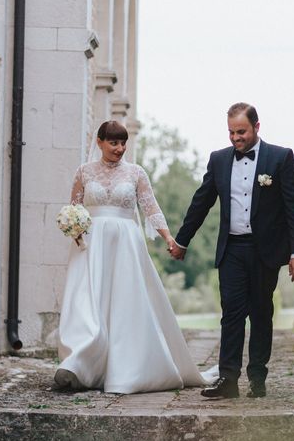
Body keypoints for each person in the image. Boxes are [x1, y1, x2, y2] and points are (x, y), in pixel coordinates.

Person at [53, 120, 215, 393]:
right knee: (87, 302)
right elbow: (74, 208)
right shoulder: (84, 172)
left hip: (126, 244)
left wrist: (168, 238)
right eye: (114, 143)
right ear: (100, 142)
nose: (119, 149)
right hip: (91, 246)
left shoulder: (136, 173)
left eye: (123, 143)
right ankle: (79, 362)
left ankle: (128, 366)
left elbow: (151, 209)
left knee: (124, 302)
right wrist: (74, 230)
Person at [170, 103, 294, 399]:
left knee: (260, 312)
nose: (236, 138)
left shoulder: (281, 158)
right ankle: (227, 379)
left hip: (265, 251)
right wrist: (182, 241)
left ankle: (257, 376)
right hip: (232, 248)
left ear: (257, 127)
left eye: (241, 131)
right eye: (231, 132)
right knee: (231, 313)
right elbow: (201, 202)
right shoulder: (218, 160)